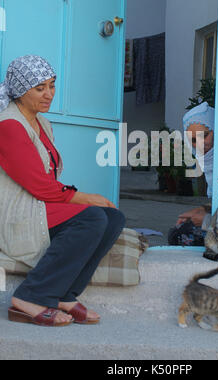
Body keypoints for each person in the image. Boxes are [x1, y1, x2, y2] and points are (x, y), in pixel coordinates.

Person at [0, 55, 126, 327]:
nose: (49, 94)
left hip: (37, 206)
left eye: (52, 85)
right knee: (92, 217)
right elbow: (40, 185)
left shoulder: (41, 122)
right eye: (40, 88)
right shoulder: (9, 125)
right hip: (16, 214)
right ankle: (31, 296)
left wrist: (86, 200)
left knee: (113, 218)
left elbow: (46, 183)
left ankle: (64, 294)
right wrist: (86, 198)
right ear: (21, 91)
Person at [176, 102, 215, 227]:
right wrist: (203, 210)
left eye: (204, 135)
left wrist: (207, 219)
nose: (200, 144)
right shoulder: (210, 164)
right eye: (193, 140)